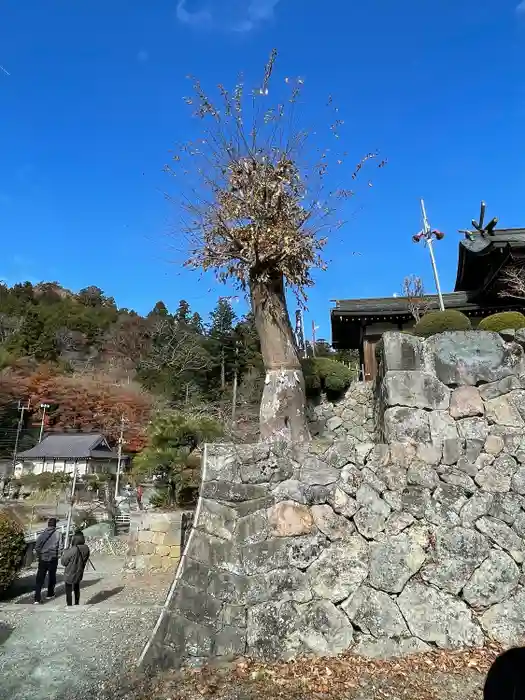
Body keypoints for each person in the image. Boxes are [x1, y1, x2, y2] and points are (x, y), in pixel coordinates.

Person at [34, 517, 61, 604]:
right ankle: (50, 594)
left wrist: (41, 554)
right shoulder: (58, 534)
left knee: (40, 578)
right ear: (55, 525)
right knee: (52, 576)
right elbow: (60, 547)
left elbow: (37, 547)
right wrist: (58, 554)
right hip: (53, 558)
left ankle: (37, 598)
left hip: (43, 558)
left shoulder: (42, 534)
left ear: (48, 525)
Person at [60, 530, 90, 606]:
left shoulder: (73, 549)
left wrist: (65, 552)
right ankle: (77, 603)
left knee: (68, 590)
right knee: (77, 588)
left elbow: (63, 562)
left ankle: (69, 604)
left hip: (70, 572)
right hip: (79, 571)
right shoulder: (86, 548)